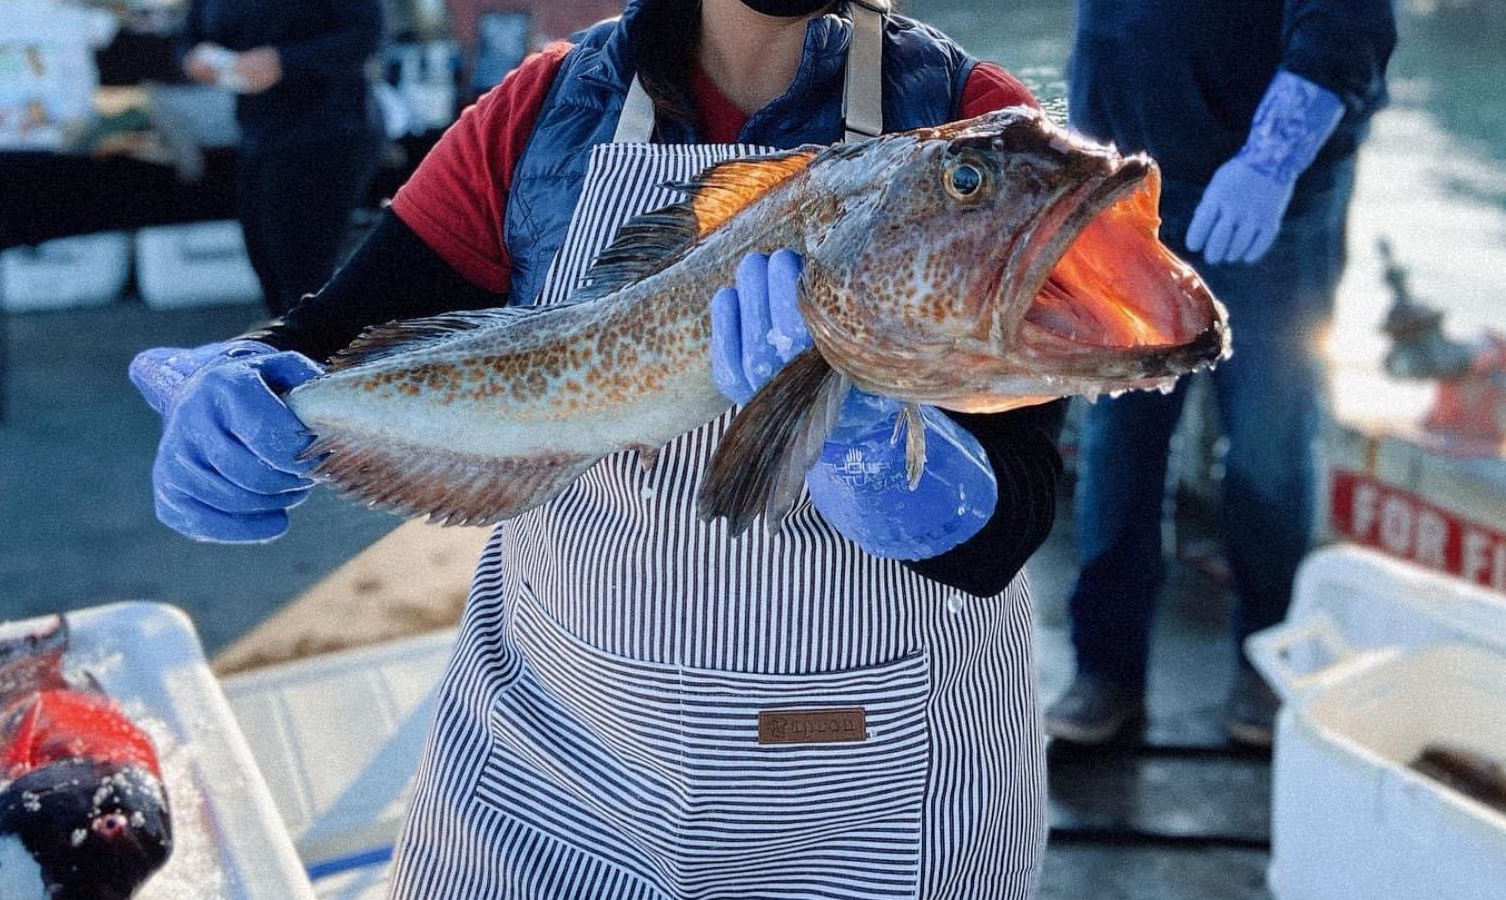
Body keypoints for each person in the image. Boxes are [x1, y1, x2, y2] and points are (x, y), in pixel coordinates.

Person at [132, 0, 1068, 895]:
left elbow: (1018, 508)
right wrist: (227, 391)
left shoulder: (979, 135)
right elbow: (330, 339)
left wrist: (878, 457)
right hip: (558, 766)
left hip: (877, 789)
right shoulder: (536, 115)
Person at [1047, 0, 1397, 748]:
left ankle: (1265, 659)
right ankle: (1104, 668)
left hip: (1275, 207)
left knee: (1269, 441)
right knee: (1119, 438)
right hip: (1125, 193)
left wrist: (1270, 164)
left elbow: (1351, 25)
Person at [177, 0, 385, 316]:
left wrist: (284, 62)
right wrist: (195, 59)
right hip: (258, 135)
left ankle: (318, 358)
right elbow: (189, 37)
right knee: (268, 266)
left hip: (326, 130)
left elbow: (365, 36)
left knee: (304, 279)